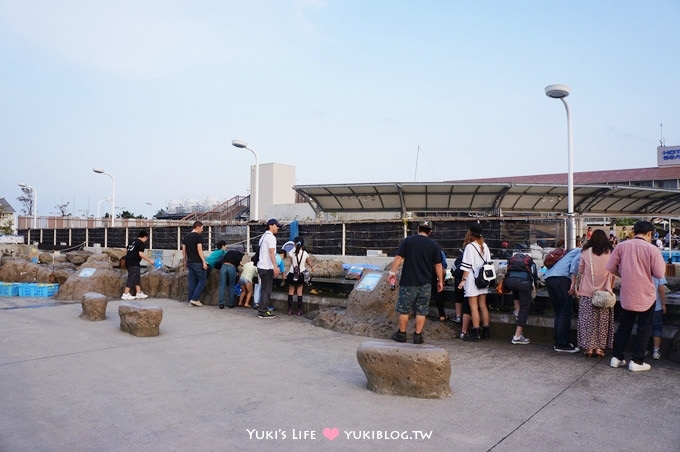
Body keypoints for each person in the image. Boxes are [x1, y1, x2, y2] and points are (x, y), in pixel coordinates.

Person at [606, 221, 666, 372]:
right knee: (644, 328)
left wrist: (624, 274)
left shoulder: (621, 246)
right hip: (646, 294)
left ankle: (616, 357)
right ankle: (637, 361)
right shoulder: (652, 249)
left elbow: (610, 267)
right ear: (650, 233)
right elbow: (659, 273)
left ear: (634, 231)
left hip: (627, 294)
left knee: (624, 327)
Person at [389, 220, 443, 345]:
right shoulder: (434, 245)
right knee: (422, 310)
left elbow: (399, 257)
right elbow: (438, 265)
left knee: (404, 309)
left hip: (408, 282)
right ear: (430, 231)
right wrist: (440, 281)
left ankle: (402, 334)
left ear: (418, 228)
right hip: (426, 283)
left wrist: (392, 272)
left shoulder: (408, 241)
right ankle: (418, 336)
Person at [577, 229, 616, 358]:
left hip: (587, 292)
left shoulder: (585, 252)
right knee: (602, 322)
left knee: (588, 321)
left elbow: (581, 270)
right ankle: (599, 348)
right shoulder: (610, 252)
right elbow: (615, 271)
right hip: (604, 293)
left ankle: (589, 348)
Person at [544, 239, 582, 353]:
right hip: (562, 280)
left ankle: (558, 340)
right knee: (566, 311)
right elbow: (574, 267)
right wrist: (573, 286)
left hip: (550, 278)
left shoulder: (569, 253)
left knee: (559, 311)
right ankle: (562, 344)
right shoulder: (581, 252)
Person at [457, 223, 490, 342]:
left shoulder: (470, 247)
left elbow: (466, 266)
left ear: (470, 233)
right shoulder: (485, 246)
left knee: (473, 307)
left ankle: (476, 331)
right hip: (483, 279)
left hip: (472, 279)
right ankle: (486, 330)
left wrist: (463, 280)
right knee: (483, 305)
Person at [501, 253, 539, 345]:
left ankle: (517, 312)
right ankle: (517, 336)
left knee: (516, 292)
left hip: (509, 282)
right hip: (524, 282)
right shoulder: (530, 261)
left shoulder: (512, 260)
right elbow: (534, 275)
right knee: (525, 307)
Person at [256, 219, 282, 319]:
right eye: (276, 226)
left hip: (261, 266)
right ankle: (263, 311)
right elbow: (272, 253)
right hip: (267, 267)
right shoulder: (271, 237)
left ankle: (262, 310)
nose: (278, 228)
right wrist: (275, 267)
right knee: (267, 290)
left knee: (264, 289)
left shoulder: (263, 237)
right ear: (271, 226)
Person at [121, 230, 155, 300]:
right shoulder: (141, 243)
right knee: (132, 277)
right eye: (146, 238)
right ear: (145, 237)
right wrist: (150, 260)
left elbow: (126, 249)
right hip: (134, 262)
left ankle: (138, 292)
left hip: (128, 261)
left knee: (136, 276)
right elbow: (141, 254)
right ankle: (126, 294)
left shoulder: (132, 241)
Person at [182, 221, 208, 307]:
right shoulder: (198, 237)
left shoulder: (186, 237)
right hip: (197, 261)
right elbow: (199, 249)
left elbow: (184, 250)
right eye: (202, 228)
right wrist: (204, 261)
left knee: (192, 281)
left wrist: (184, 261)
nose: (202, 229)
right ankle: (195, 299)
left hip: (190, 261)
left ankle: (190, 299)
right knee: (202, 280)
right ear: (198, 227)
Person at [286, 237, 313, 316]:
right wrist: (312, 267)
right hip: (301, 274)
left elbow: (291, 262)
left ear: (294, 243)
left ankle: (290, 310)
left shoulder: (291, 252)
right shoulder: (305, 253)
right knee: (299, 292)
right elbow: (308, 262)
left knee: (291, 291)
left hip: (292, 273)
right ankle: (299, 310)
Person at [651, 276, 667, 360]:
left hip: (642, 306)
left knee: (643, 329)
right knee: (657, 329)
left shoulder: (641, 270)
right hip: (656, 307)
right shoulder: (658, 273)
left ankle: (643, 350)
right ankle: (656, 351)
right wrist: (663, 304)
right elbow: (661, 290)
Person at [433, 245, 449, 322]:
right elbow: (443, 267)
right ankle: (442, 315)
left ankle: (421, 314)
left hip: (424, 276)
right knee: (438, 295)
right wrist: (442, 280)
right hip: (436, 275)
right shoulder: (440, 252)